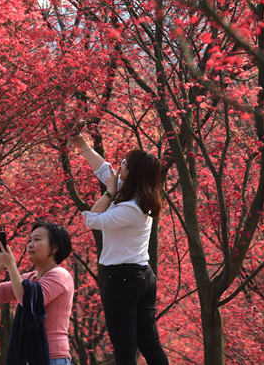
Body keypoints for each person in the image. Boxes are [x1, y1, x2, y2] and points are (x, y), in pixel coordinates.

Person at [71, 133, 169, 365]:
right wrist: (81, 144)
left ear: (131, 173)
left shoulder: (131, 208)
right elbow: (104, 169)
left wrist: (108, 193)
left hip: (124, 280)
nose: (118, 167)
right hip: (141, 277)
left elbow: (92, 219)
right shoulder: (136, 195)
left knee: (125, 352)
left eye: (123, 165)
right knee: (149, 346)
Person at [0, 221, 74, 365]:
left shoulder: (60, 275)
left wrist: (12, 265)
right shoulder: (29, 278)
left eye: (37, 239)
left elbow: (29, 302)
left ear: (55, 247)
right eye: (29, 240)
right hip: (31, 357)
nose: (30, 245)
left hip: (53, 357)